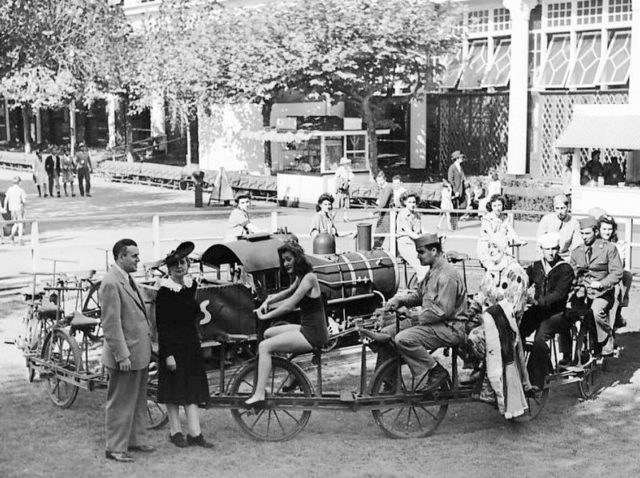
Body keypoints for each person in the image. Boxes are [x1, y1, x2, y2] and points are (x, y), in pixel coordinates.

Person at [375, 233, 468, 393]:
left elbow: (442, 312)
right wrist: (401, 301)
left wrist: (412, 315)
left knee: (403, 339)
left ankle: (436, 371)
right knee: (386, 334)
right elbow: (419, 295)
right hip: (433, 323)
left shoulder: (447, 275)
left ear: (433, 250)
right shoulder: (433, 271)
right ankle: (389, 382)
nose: (417, 257)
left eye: (420, 252)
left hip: (449, 328)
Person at [246, 241, 329, 407]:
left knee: (264, 347)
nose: (285, 263)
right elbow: (287, 292)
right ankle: (293, 375)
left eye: (288, 259)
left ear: (297, 258)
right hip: (307, 329)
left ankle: (259, 393)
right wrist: (269, 300)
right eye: (283, 260)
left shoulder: (309, 278)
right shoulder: (301, 277)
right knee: (268, 334)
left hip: (313, 334)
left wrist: (265, 316)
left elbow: (289, 304)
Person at [155, 242, 214, 449]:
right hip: (173, 346)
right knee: (174, 390)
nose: (180, 267)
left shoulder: (191, 286)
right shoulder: (164, 292)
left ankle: (195, 433)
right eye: (175, 265)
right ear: (169, 269)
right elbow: (162, 326)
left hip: (190, 345)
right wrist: (168, 355)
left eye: (183, 263)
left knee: (192, 388)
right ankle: (175, 431)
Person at [100, 239, 154, 463]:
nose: (138, 260)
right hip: (126, 356)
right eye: (134, 256)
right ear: (121, 257)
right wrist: (122, 355)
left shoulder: (127, 278)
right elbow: (111, 324)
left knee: (138, 400)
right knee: (121, 402)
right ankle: (115, 448)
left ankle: (135, 440)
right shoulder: (111, 282)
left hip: (138, 353)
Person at [519, 233, 575, 388]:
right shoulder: (536, 267)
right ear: (541, 249)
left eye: (553, 249)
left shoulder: (565, 269)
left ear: (558, 249)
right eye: (547, 249)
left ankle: (537, 380)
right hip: (537, 310)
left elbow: (559, 293)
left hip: (556, 313)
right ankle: (517, 369)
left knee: (539, 339)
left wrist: (539, 300)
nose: (550, 253)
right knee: (516, 331)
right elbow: (523, 283)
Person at [569, 216, 623, 356]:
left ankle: (606, 338)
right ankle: (569, 352)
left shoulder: (608, 249)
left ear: (596, 232)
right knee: (567, 313)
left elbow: (617, 272)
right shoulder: (576, 252)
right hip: (582, 291)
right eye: (582, 233)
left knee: (597, 312)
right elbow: (571, 273)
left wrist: (602, 283)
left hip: (603, 293)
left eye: (587, 233)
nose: (584, 236)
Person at [598, 214, 632, 330]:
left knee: (625, 278)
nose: (607, 232)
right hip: (597, 276)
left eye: (610, 229)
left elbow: (620, 265)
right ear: (598, 229)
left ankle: (617, 313)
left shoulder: (617, 244)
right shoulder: (595, 242)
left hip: (611, 275)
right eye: (604, 229)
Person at [477, 194, 519, 268]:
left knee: (512, 265)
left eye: (499, 205)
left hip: (500, 249)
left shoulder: (504, 218)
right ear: (491, 207)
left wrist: (518, 240)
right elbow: (492, 236)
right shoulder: (486, 219)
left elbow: (510, 230)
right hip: (487, 249)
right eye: (495, 206)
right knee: (495, 267)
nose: (497, 208)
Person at [396, 192, 429, 283]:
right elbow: (409, 232)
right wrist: (420, 237)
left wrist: (433, 236)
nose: (412, 204)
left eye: (414, 202)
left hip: (416, 244)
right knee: (422, 268)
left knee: (430, 264)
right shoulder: (402, 214)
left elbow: (421, 229)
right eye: (410, 202)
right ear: (405, 202)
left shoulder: (416, 215)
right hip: (405, 244)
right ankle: (422, 292)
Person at [3, 176, 27, 245]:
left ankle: (12, 236)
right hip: (19, 208)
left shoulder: (9, 189)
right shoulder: (20, 190)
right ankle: (20, 239)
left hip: (12, 209)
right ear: (20, 182)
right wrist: (25, 208)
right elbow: (24, 201)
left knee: (15, 223)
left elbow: (6, 199)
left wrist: (5, 207)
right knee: (20, 224)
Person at [373, 171, 394, 249]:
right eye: (378, 181)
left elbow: (384, 203)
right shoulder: (382, 188)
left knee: (381, 234)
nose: (380, 182)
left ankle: (377, 250)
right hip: (382, 214)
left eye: (381, 180)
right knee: (378, 235)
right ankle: (376, 249)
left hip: (387, 215)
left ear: (385, 179)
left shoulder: (388, 188)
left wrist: (373, 211)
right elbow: (380, 201)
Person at [447, 150, 466, 230]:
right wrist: (455, 191)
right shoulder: (452, 167)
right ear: (457, 158)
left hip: (461, 190)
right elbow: (450, 180)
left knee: (462, 206)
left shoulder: (460, 167)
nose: (462, 158)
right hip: (455, 191)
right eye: (460, 157)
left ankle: (456, 223)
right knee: (454, 208)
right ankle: (454, 226)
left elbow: (462, 177)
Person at [334, 157, 354, 222]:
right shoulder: (340, 170)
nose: (347, 165)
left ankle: (345, 218)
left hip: (346, 189)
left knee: (346, 204)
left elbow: (351, 177)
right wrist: (339, 184)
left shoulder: (348, 169)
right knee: (338, 204)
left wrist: (348, 182)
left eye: (347, 163)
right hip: (340, 190)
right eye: (345, 163)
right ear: (343, 164)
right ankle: (332, 217)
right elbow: (336, 179)